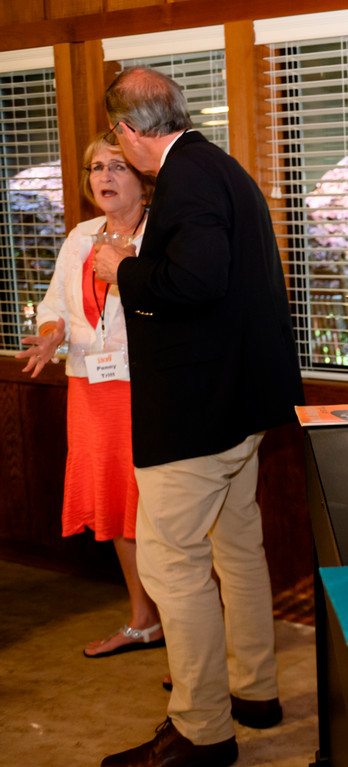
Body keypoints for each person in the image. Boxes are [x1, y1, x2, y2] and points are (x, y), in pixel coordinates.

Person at [93, 66, 304, 767]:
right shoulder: (219, 166)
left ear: (127, 130)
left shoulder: (185, 180)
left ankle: (201, 730)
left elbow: (194, 282)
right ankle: (253, 689)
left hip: (197, 411)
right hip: (240, 407)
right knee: (237, 548)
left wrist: (122, 268)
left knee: (171, 564)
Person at [18, 130, 163, 659]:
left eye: (117, 166)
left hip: (146, 387)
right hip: (90, 386)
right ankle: (144, 619)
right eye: (96, 167)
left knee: (159, 507)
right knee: (115, 503)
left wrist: (128, 268)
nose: (104, 176)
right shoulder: (80, 236)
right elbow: (56, 299)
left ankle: (194, 630)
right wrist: (54, 330)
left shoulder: (163, 236)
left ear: (143, 181)